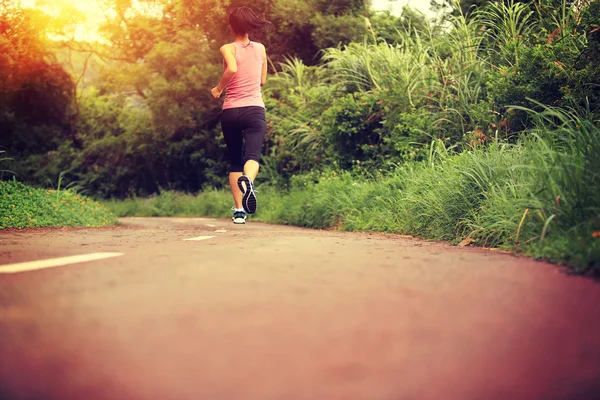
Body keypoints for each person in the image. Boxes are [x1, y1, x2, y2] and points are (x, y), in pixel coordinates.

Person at [211, 6, 271, 224]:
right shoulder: (261, 49)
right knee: (252, 156)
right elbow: (262, 81)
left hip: (231, 111)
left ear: (231, 27)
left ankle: (238, 212)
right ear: (250, 25)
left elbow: (232, 69)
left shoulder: (227, 48)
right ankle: (249, 181)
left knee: (235, 160)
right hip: (255, 109)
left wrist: (218, 89)